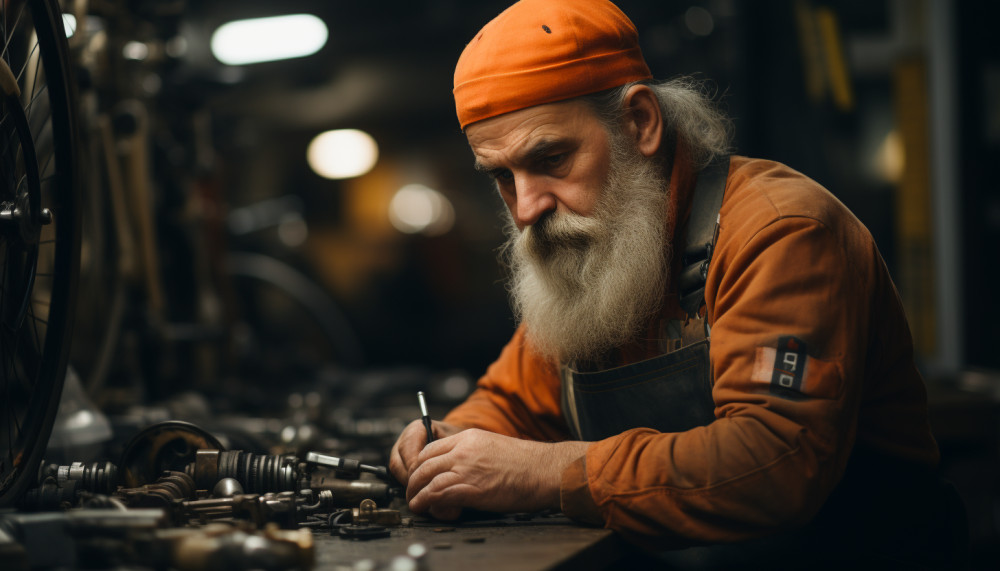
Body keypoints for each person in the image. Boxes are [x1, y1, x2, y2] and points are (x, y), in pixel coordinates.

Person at [389, 0, 966, 565]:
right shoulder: (600, 255)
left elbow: (774, 464)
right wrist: (448, 444)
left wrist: (542, 471)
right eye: (503, 178)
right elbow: (511, 401)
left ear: (640, 122)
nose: (525, 208)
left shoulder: (779, 231)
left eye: (553, 159)